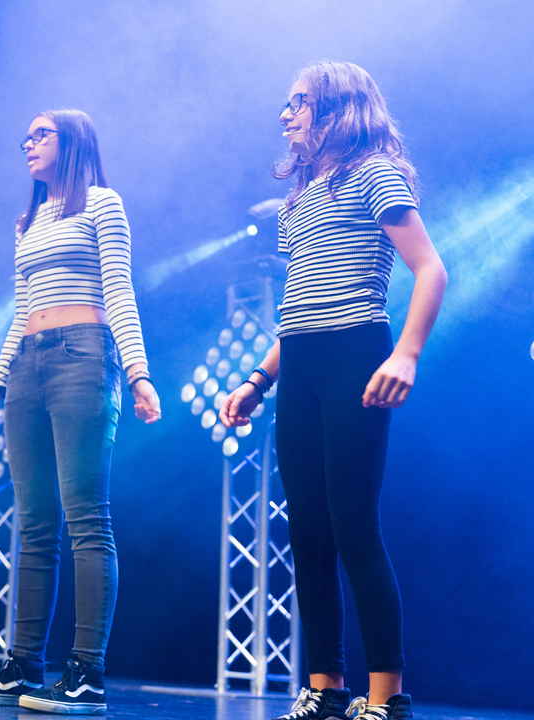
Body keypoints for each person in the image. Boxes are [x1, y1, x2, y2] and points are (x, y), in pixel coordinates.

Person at [220, 61, 447, 720]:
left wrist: (406, 355)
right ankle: (325, 688)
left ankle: (388, 697)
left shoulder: (374, 173)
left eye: (298, 102)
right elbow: (299, 308)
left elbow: (430, 268)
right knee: (308, 531)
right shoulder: (297, 202)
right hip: (302, 361)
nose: (285, 114)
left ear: (337, 109)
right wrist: (258, 379)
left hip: (356, 351)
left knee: (353, 525)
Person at [0, 108, 161, 715]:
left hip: (83, 356)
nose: (28, 143)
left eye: (40, 134)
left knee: (86, 515)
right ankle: (23, 665)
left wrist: (139, 372)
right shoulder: (28, 222)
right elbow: (20, 309)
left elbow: (119, 288)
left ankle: (86, 672)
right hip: (27, 366)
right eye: (25, 136)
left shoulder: (102, 203)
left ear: (71, 143)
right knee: (35, 523)